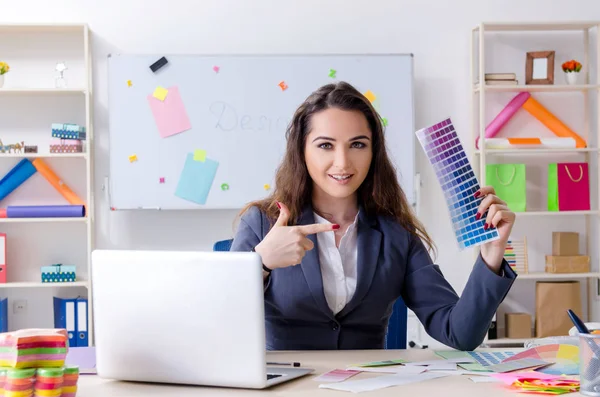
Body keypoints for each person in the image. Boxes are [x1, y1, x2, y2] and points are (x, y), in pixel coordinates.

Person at [230, 81, 516, 351]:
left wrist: (492, 254)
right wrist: (261, 263)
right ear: (301, 151)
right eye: (325, 145)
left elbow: (459, 333)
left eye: (357, 145)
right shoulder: (261, 222)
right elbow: (222, 319)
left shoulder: (396, 234)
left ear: (373, 152)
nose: (342, 163)